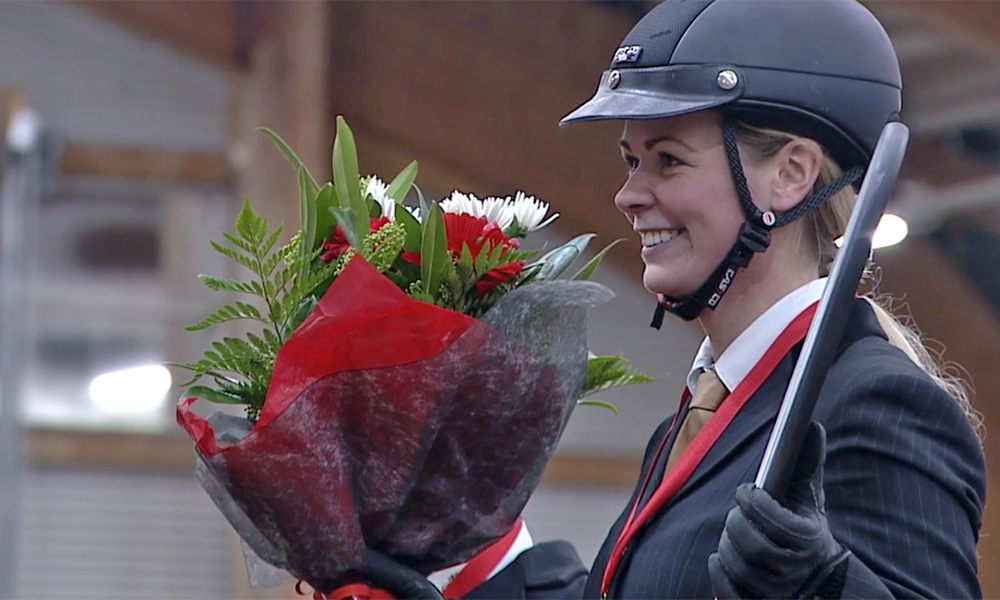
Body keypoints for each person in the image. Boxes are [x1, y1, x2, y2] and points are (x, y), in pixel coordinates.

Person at [555, 0, 987, 598]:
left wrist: (827, 584)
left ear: (791, 173)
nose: (628, 194)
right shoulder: (691, 420)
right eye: (632, 161)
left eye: (668, 160)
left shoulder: (875, 403)